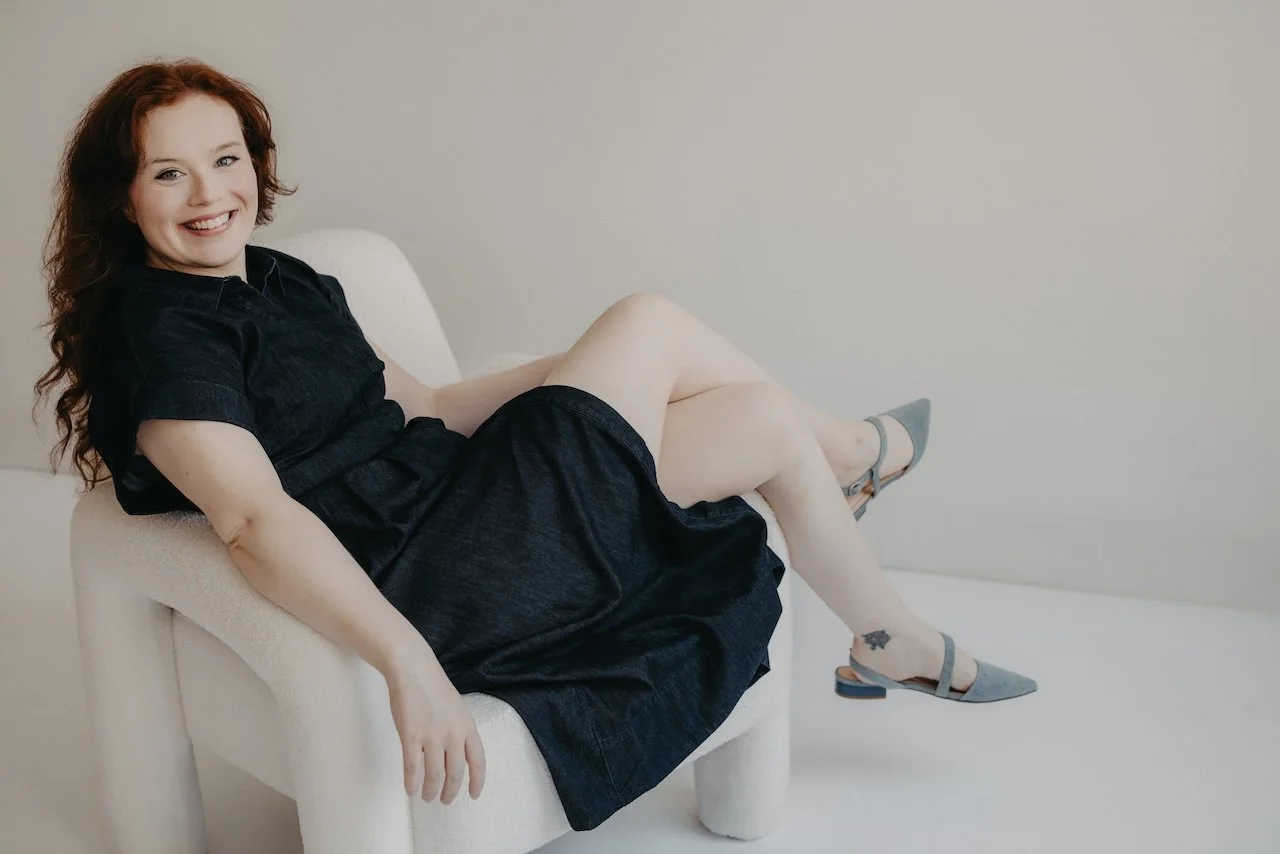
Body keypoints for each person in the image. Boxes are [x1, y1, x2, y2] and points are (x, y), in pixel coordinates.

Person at [33, 58, 1035, 833]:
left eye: (226, 159)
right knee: (646, 316)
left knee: (756, 421)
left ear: (256, 164)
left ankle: (880, 635)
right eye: (169, 171)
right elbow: (251, 515)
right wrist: (406, 656)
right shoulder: (162, 330)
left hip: (462, 501)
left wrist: (581, 375)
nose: (209, 192)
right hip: (424, 572)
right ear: (124, 197)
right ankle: (859, 457)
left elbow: (423, 401)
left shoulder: (284, 280)